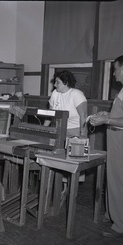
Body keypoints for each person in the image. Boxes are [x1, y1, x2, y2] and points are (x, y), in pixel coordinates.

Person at [89, 55, 123, 238]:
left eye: (115, 69)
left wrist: (106, 119)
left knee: (120, 182)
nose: (113, 73)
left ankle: (121, 226)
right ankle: (112, 214)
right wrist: (108, 114)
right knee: (113, 179)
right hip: (118, 138)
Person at [44, 70, 88, 205]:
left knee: (74, 166)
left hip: (76, 132)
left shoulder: (76, 94)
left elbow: (83, 116)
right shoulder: (55, 94)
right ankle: (63, 190)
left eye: (57, 82)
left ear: (66, 83)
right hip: (59, 131)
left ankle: (71, 194)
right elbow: (50, 114)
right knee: (58, 163)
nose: (55, 85)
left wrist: (82, 136)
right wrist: (44, 130)